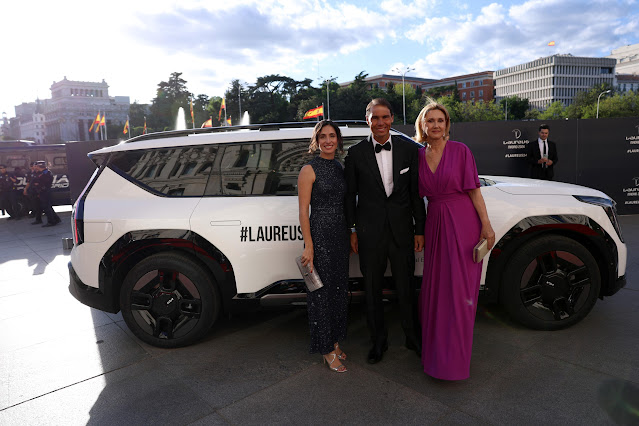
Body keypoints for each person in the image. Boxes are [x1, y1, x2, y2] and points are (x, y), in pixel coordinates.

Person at [415, 101, 495, 380]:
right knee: (436, 292)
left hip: (462, 224)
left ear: (447, 125)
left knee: (460, 295)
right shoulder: (418, 156)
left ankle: (455, 364)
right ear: (422, 125)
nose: (435, 125)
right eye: (430, 120)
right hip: (435, 223)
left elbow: (474, 192)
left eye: (440, 120)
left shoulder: (461, 151)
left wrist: (486, 226)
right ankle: (435, 358)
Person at [345, 98, 426, 364]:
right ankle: (378, 341)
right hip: (369, 233)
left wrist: (419, 230)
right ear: (367, 120)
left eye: (385, 117)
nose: (380, 123)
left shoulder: (409, 150)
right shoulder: (355, 154)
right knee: (372, 290)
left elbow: (416, 194)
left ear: (392, 118)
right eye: (374, 118)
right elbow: (350, 197)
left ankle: (413, 338)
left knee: (406, 288)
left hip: (402, 231)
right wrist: (353, 230)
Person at [298, 120, 350, 373]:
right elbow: (303, 212)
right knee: (321, 294)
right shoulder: (309, 169)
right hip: (320, 235)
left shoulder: (339, 167)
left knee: (339, 292)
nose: (328, 140)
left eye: (332, 136)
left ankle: (335, 340)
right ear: (316, 141)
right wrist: (309, 245)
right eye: (323, 137)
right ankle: (326, 349)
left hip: (340, 235)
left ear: (338, 140)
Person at [32, 161, 61, 227]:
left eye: (37, 166)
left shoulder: (47, 173)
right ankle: (56, 219)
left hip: (45, 191)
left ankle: (51, 221)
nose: (36, 167)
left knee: (46, 207)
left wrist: (38, 184)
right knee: (47, 206)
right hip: (42, 191)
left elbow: (44, 183)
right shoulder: (43, 173)